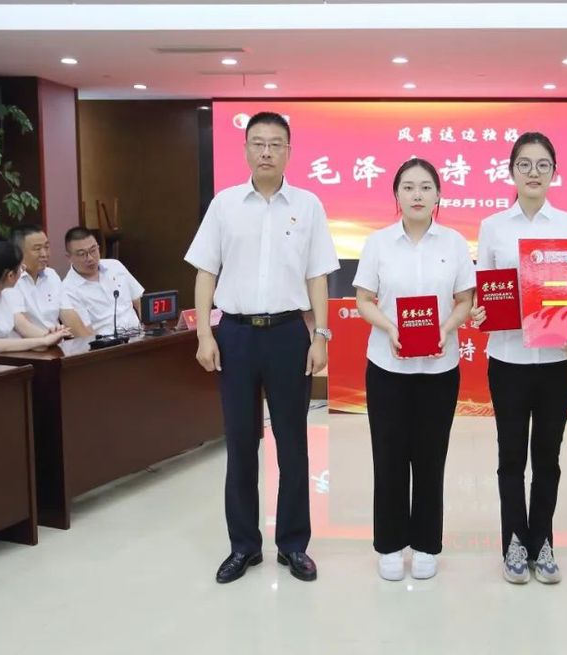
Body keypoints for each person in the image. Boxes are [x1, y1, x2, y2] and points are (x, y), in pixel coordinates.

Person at [184, 111, 339, 584]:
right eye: (258, 143)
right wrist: (205, 334)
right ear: (246, 150)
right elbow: (205, 272)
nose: (266, 151)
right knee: (240, 442)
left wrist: (321, 336)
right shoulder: (225, 205)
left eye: (275, 144)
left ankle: (293, 545)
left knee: (293, 444)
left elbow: (318, 276)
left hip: (290, 333)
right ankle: (244, 546)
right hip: (235, 335)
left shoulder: (308, 205)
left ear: (289, 151)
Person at [353, 158, 475, 582]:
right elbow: (364, 299)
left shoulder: (454, 243)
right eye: (408, 187)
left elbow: (465, 299)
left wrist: (446, 328)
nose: (417, 195)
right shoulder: (378, 244)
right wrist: (389, 327)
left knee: (430, 457)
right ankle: (389, 544)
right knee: (388, 457)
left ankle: (425, 544)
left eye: (425, 187)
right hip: (387, 367)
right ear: (396, 195)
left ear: (438, 194)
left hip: (439, 368)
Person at [472, 132, 567, 585]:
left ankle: (543, 542)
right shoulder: (493, 226)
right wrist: (482, 311)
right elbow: (485, 288)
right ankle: (515, 543)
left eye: (542, 165)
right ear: (511, 171)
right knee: (511, 457)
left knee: (548, 458)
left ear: (555, 172)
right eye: (524, 164)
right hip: (508, 358)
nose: (533, 173)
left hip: (558, 360)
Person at [10, 224, 90, 336]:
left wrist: (90, 342)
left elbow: (69, 315)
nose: (44, 254)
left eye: (46, 247)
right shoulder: (11, 280)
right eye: (37, 249)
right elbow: (22, 325)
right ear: (18, 252)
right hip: (32, 344)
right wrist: (50, 339)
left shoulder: (51, 275)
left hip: (57, 341)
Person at [61, 227, 144, 335]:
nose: (90, 258)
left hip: (139, 337)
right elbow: (85, 334)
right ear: (69, 257)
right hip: (108, 343)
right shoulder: (68, 290)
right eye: (82, 254)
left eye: (93, 250)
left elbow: (139, 302)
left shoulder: (115, 266)